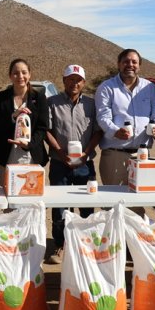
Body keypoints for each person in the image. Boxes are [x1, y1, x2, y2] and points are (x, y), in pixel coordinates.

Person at [45, 64, 103, 264]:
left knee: (87, 206)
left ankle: (85, 244)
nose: (74, 83)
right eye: (70, 79)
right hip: (60, 162)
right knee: (60, 207)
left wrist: (86, 154)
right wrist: (61, 153)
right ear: (64, 81)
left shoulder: (91, 104)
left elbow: (97, 131)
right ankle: (61, 245)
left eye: (78, 79)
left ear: (84, 83)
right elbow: (47, 130)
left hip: (85, 163)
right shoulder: (52, 102)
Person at [95, 48, 155, 185]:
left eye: (134, 62)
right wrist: (115, 131)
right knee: (115, 200)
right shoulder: (107, 87)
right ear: (119, 64)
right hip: (115, 154)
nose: (130, 65)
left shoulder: (149, 88)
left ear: (139, 65)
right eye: (126, 61)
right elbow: (103, 117)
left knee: (139, 198)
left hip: (142, 155)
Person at [0, 59, 49, 178]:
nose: (20, 76)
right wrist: (13, 116)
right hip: (6, 157)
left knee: (31, 193)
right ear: (10, 76)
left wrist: (29, 144)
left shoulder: (39, 98)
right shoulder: (1, 98)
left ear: (29, 74)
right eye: (16, 73)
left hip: (32, 158)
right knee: (7, 194)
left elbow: (43, 128)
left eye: (24, 72)